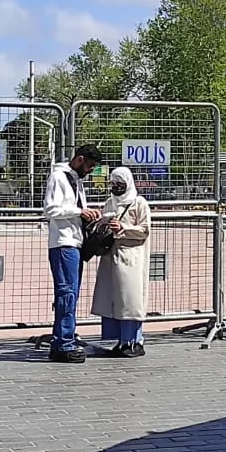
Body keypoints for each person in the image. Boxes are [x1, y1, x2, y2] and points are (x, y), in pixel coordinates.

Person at [42, 145, 102, 363]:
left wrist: (87, 215)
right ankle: (63, 342)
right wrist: (80, 212)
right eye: (90, 166)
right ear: (79, 159)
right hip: (63, 242)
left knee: (70, 293)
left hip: (74, 241)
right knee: (67, 293)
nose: (90, 170)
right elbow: (50, 209)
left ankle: (64, 338)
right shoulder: (59, 177)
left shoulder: (75, 180)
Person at [91, 167, 153, 358]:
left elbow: (144, 229)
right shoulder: (110, 202)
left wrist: (123, 228)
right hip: (111, 256)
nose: (116, 187)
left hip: (131, 257)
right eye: (113, 183)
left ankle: (134, 341)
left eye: (120, 183)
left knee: (130, 300)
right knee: (112, 299)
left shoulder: (139, 202)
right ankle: (119, 340)